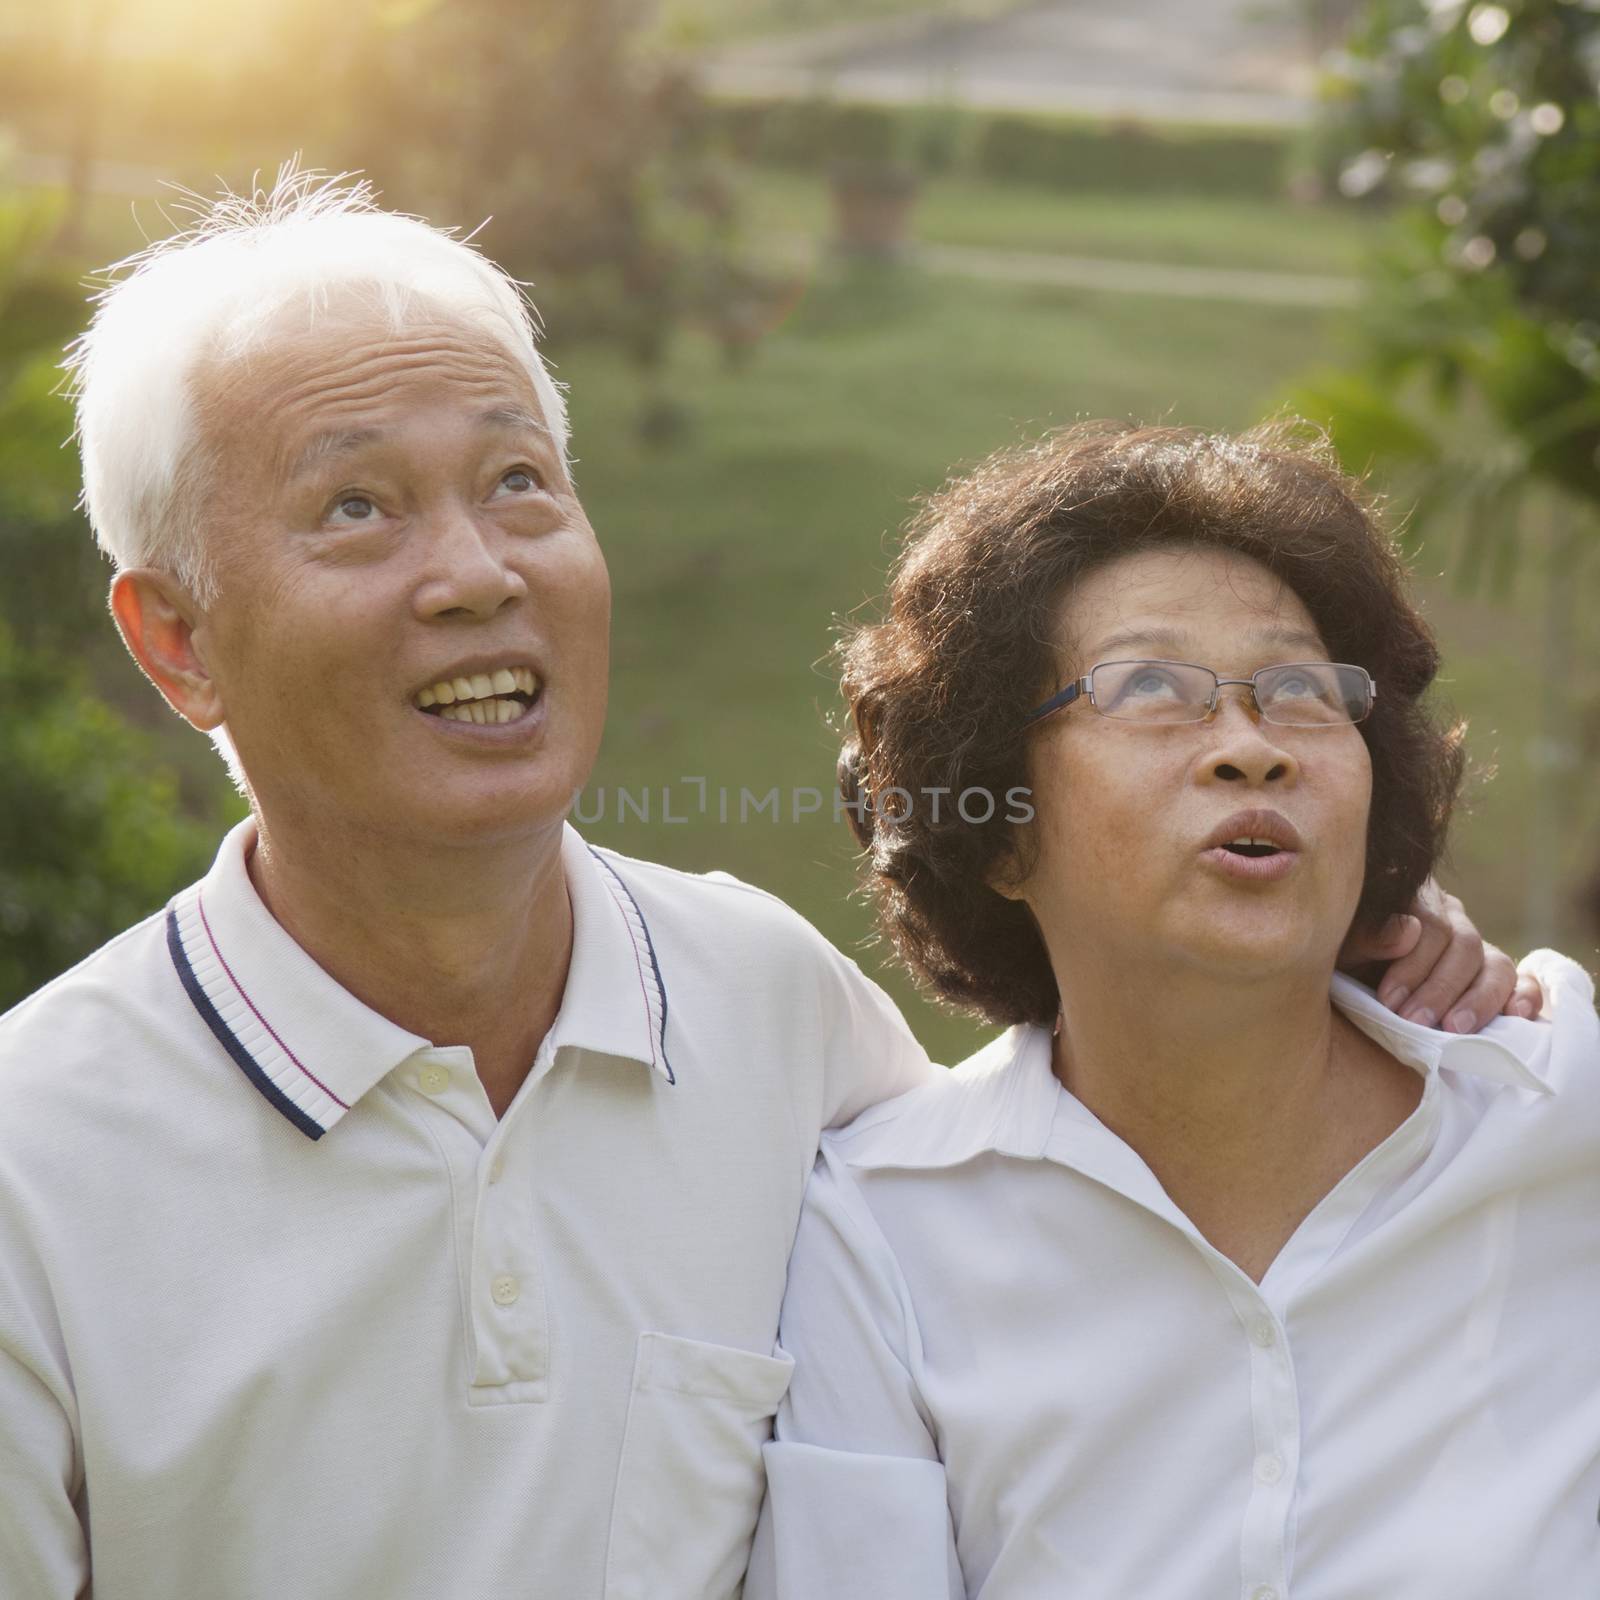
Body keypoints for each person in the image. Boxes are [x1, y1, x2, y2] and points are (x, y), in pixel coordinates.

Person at [0, 172, 1528, 1600]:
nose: (475, 571)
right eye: (357, 508)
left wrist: (1357, 949)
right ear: (177, 642)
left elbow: (1081, 1160)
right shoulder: (37, 1171)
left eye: (519, 480)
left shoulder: (773, 1011)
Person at [747, 420, 1599, 1600]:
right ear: (997, 825)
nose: (1249, 748)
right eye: (1149, 687)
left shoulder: (1557, 1108)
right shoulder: (880, 1230)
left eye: (1299, 690)